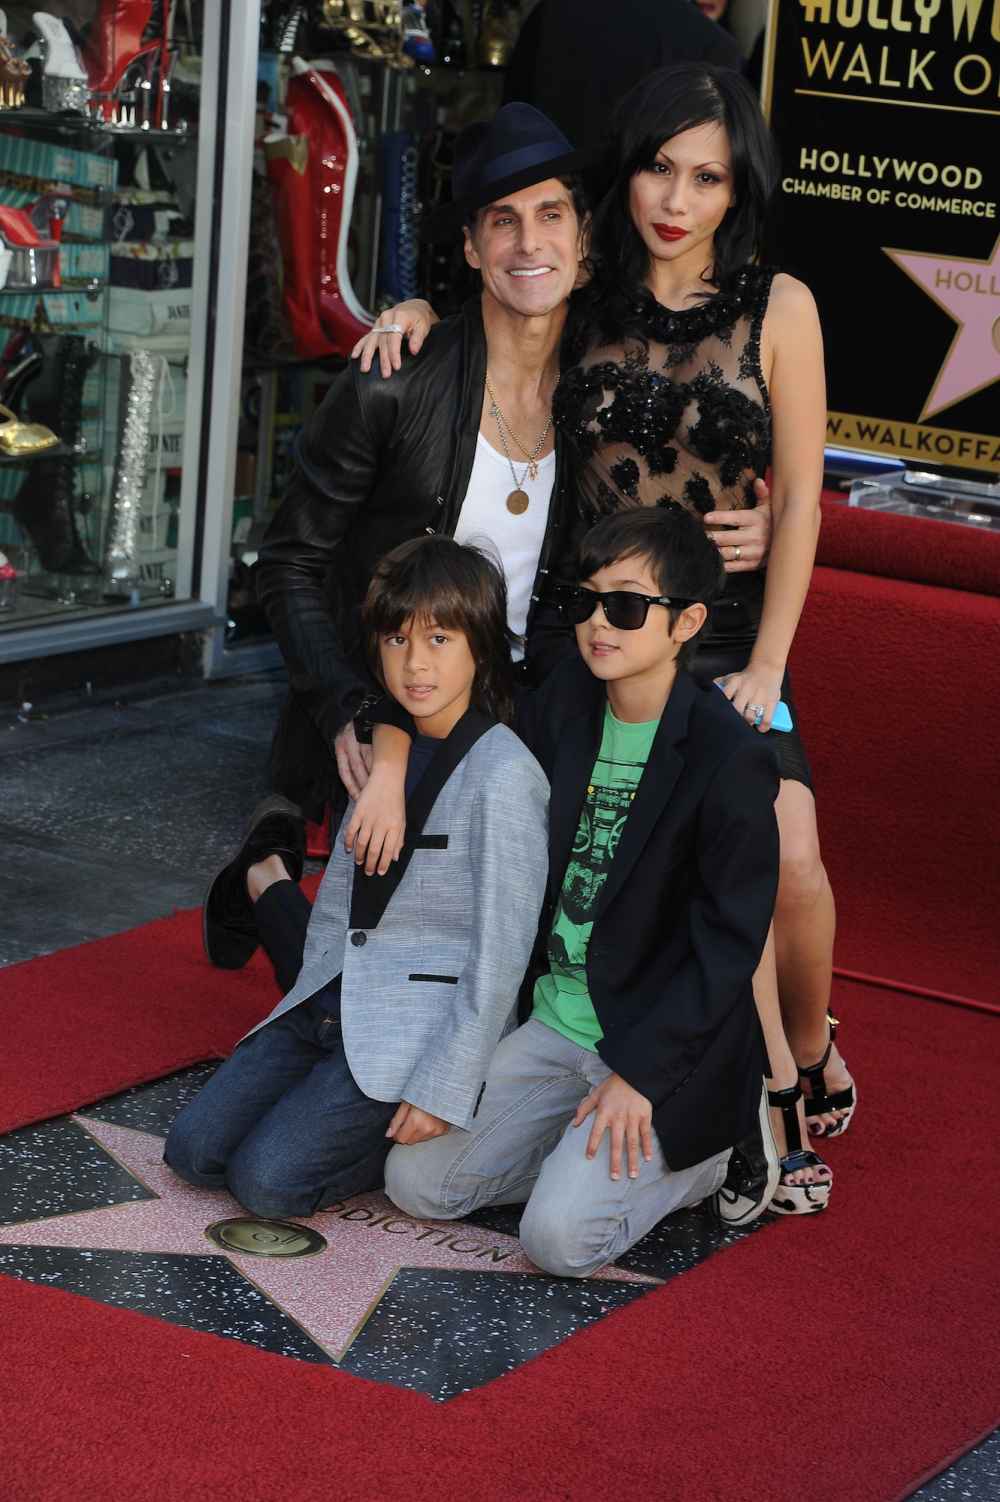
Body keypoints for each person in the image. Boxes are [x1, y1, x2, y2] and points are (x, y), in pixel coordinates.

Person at [354, 63, 854, 1213]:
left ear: (738, 189)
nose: (675, 198)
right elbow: (502, 307)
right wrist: (417, 311)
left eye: (706, 176)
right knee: (626, 858)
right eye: (657, 168)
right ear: (625, 171)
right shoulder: (588, 296)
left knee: (786, 851)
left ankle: (810, 1048)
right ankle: (744, 1090)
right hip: (601, 631)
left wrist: (771, 658)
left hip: (724, 634)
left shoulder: (780, 305)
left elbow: (808, 499)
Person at [384, 506, 782, 1273]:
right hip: (556, 1023)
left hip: (656, 1044)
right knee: (416, 1184)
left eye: (627, 606)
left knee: (561, 1241)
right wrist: (386, 757)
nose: (600, 623)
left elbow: (730, 942)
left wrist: (644, 1075)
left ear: (686, 621)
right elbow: (437, 690)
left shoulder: (728, 758)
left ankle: (704, 1157)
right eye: (587, 601)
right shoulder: (564, 699)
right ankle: (573, 1152)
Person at [164, 538, 549, 1219]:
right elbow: (344, 899)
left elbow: (503, 955)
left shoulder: (506, 777)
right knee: (192, 1152)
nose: (416, 662)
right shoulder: (377, 747)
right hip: (325, 1001)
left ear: (482, 645)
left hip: (412, 1030)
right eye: (397, 640)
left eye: (439, 637)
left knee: (267, 1182)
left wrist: (443, 1085)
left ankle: (387, 1139)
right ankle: (313, 1085)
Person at [501, 0, 744, 154]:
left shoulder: (549, 12)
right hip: (638, 225)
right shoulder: (712, 46)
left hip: (550, 212)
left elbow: (511, 124)